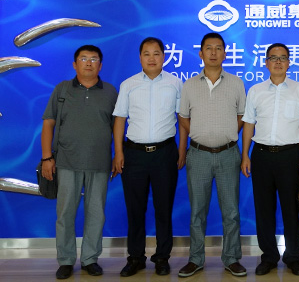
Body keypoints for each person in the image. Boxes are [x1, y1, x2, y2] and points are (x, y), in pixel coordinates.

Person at [41, 45, 118, 280]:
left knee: (96, 214)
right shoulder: (62, 89)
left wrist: (118, 154)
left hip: (100, 163)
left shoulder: (110, 92)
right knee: (65, 213)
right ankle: (65, 260)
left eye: (94, 59)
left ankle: (90, 259)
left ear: (100, 65)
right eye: (83, 59)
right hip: (66, 162)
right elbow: (48, 123)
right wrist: (46, 157)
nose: (88, 63)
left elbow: (118, 127)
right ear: (75, 64)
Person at [241, 43, 299, 276]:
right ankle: (269, 257)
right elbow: (248, 124)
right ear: (266, 63)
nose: (278, 62)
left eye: (283, 58)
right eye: (273, 58)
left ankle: (293, 257)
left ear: (289, 63)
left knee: (290, 209)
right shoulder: (255, 91)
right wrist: (245, 155)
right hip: (261, 155)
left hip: (289, 156)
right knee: (264, 210)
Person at [177, 33, 247, 278]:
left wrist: (227, 133)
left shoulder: (236, 83)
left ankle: (231, 258)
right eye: (209, 48)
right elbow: (183, 117)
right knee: (197, 212)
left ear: (225, 54)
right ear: (201, 53)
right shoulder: (189, 85)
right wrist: (198, 133)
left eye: (218, 48)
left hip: (228, 154)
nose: (214, 52)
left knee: (231, 212)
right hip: (198, 155)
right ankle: (195, 259)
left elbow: (243, 115)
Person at [112, 37, 183, 277]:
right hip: (134, 154)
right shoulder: (128, 85)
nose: (152, 58)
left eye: (156, 53)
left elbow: (183, 120)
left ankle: (162, 257)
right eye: (146, 54)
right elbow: (120, 119)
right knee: (135, 209)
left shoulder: (175, 84)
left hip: (165, 153)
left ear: (164, 56)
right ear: (140, 57)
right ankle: (135, 257)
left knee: (164, 208)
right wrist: (118, 152)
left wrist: (182, 149)